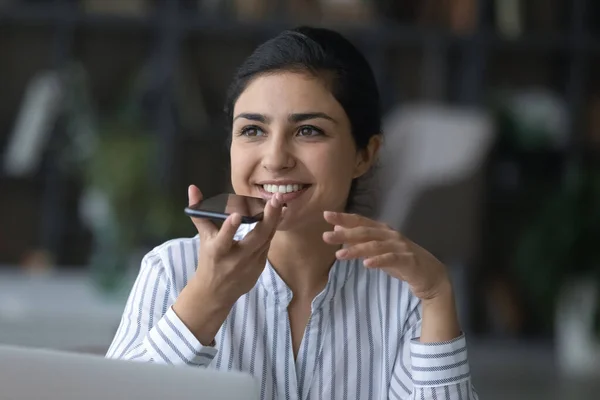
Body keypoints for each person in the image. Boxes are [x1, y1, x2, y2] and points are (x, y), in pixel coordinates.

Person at [106, 26, 479, 400]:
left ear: (364, 154)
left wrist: (438, 294)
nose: (275, 159)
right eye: (252, 130)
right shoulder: (172, 271)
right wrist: (205, 299)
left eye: (308, 131)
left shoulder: (406, 295)